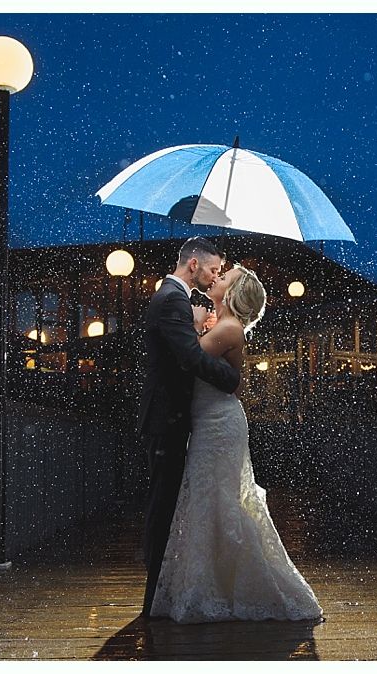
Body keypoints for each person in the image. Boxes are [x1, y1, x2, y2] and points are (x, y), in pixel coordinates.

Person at [151, 264, 323, 623]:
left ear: (231, 293)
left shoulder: (227, 329)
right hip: (212, 423)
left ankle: (230, 586)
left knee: (217, 501)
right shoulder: (226, 327)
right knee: (211, 501)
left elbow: (189, 360)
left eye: (224, 277)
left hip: (217, 427)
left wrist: (196, 325)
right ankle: (216, 582)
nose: (217, 278)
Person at [137, 237, 241, 617]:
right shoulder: (173, 299)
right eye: (214, 269)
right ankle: (152, 601)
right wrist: (232, 379)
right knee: (162, 507)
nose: (216, 275)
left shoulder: (174, 298)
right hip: (167, 419)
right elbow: (189, 357)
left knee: (164, 503)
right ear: (194, 264)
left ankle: (158, 596)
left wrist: (197, 328)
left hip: (170, 417)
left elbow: (186, 349)